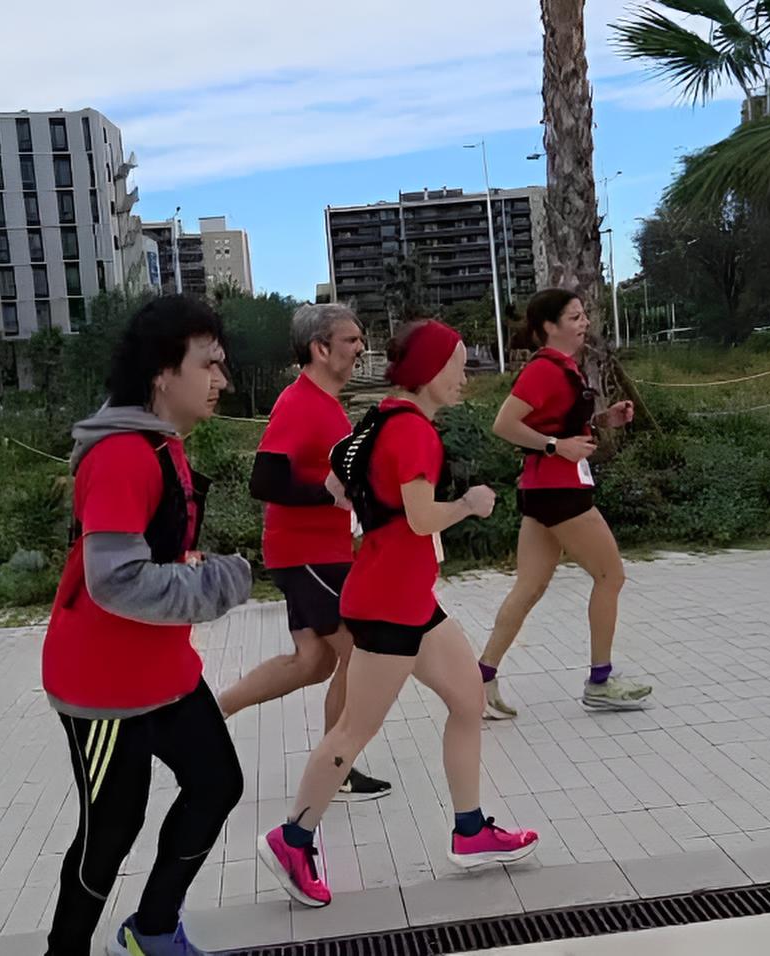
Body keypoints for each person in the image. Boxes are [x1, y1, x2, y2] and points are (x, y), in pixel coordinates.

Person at [259, 319, 540, 909]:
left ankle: (471, 832)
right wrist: (468, 504)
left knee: (467, 699)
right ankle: (292, 839)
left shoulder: (380, 417)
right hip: (389, 604)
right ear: (432, 370)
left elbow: (338, 479)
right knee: (354, 731)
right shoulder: (413, 432)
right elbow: (418, 518)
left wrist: (375, 513)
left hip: (407, 596)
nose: (465, 376)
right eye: (459, 364)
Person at [40, 296, 253, 956]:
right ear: (164, 371)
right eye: (210, 365)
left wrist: (189, 567)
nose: (223, 380)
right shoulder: (125, 456)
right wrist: (220, 580)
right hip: (102, 685)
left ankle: (153, 929)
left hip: (163, 671)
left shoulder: (164, 446)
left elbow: (147, 556)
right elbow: (116, 581)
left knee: (217, 783)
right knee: (110, 828)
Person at [216, 304, 392, 801]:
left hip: (324, 549)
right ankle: (335, 767)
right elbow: (265, 479)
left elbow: (329, 474)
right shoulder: (300, 403)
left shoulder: (328, 404)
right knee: (357, 651)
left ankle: (212, 709)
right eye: (351, 340)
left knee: (313, 661)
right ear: (320, 348)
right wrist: (328, 494)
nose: (361, 349)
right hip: (306, 553)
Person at [475, 289, 651, 719]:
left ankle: (480, 680)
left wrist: (603, 420)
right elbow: (504, 424)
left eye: (583, 314)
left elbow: (558, 421)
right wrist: (556, 447)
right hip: (559, 491)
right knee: (611, 576)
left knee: (530, 587)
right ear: (549, 327)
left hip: (543, 491)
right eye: (573, 316)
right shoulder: (544, 369)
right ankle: (600, 682)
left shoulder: (563, 368)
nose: (583, 321)